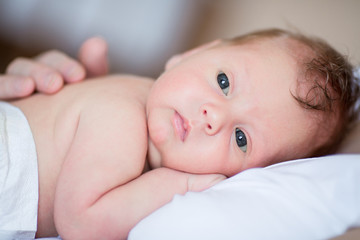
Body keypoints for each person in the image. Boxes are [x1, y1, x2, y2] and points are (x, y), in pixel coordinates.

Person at [1, 29, 359, 240]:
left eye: (241, 139)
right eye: (223, 82)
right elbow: (80, 222)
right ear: (193, 53)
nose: (212, 116)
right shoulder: (122, 114)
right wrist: (181, 186)